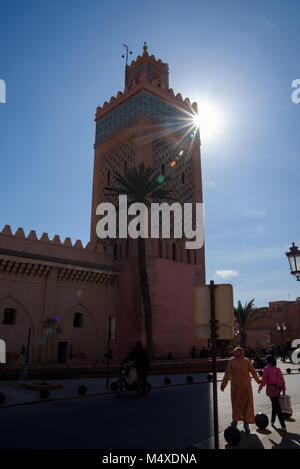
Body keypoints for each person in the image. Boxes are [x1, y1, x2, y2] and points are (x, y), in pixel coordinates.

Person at [220, 346, 261, 433]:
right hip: (239, 388)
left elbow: (253, 371)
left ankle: (242, 424)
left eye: (237, 352)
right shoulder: (239, 361)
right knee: (240, 405)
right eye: (235, 352)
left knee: (242, 406)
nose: (235, 354)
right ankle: (237, 423)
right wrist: (223, 384)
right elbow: (227, 374)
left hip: (241, 388)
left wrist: (258, 380)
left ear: (241, 353)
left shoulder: (243, 361)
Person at [258, 354, 287, 432]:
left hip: (271, 389)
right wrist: (283, 390)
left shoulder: (266, 369)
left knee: (277, 407)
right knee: (275, 404)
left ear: (267, 361)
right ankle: (272, 421)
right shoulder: (277, 369)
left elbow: (264, 381)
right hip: (278, 388)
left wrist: (260, 388)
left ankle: (283, 426)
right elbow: (282, 380)